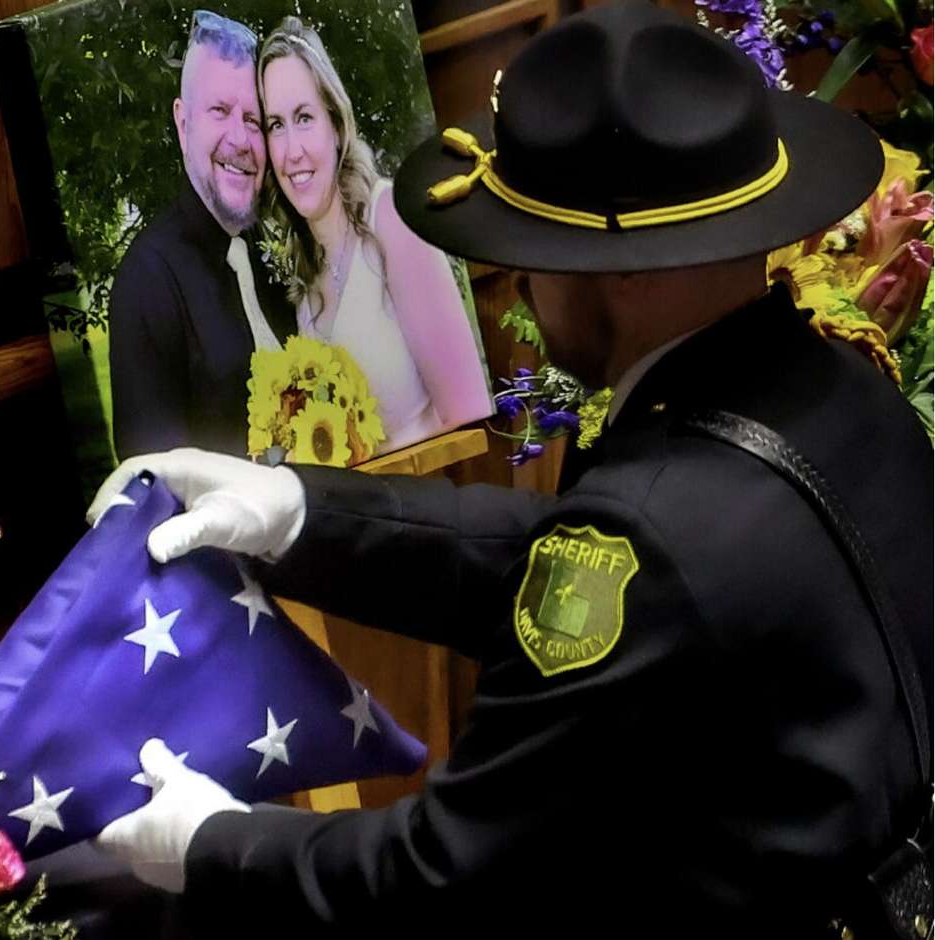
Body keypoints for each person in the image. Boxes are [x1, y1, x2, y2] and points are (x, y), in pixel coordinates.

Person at [86, 2, 933, 936]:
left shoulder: (653, 522)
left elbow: (442, 876)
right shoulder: (844, 388)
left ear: (625, 270)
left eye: (534, 250)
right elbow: (576, 570)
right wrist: (297, 510)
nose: (521, 281)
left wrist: (216, 844)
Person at [256, 17, 491, 454]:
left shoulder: (390, 220)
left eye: (304, 117)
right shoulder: (307, 275)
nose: (291, 151)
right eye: (275, 125)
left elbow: (470, 415)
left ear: (336, 124)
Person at [108, 10, 294, 460]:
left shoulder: (266, 256)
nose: (240, 139)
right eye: (220, 111)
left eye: (253, 120)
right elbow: (155, 484)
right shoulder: (146, 281)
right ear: (183, 121)